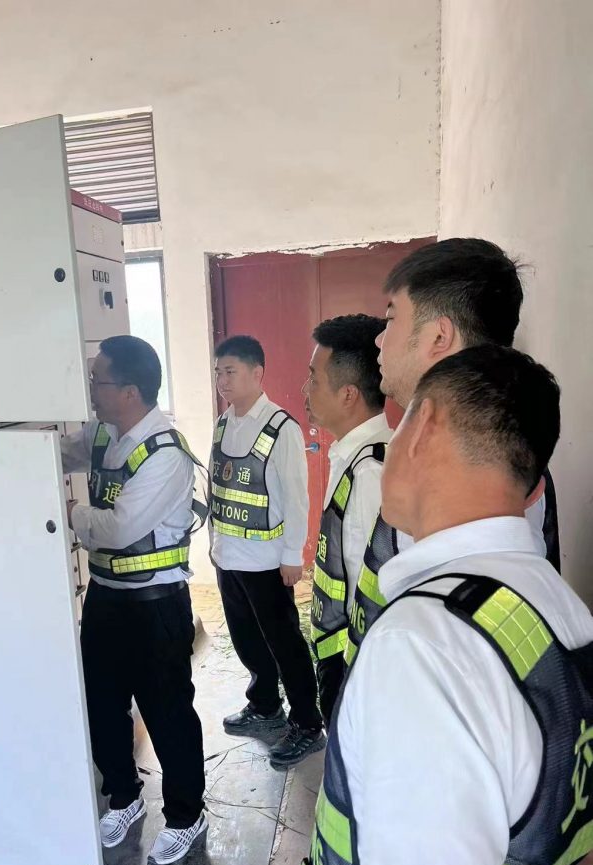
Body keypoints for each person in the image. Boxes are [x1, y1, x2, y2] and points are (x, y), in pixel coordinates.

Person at [294, 345, 593, 865]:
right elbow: (582, 862)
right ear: (533, 490)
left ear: (422, 425)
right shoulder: (564, 615)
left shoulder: (423, 648)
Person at [342, 237, 561, 672]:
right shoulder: (498, 450)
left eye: (392, 319)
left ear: (439, 336)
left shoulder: (466, 473)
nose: (379, 340)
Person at [62, 336, 208, 865]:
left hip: (156, 607)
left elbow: (118, 529)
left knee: (167, 714)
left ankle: (187, 816)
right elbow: (60, 454)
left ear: (128, 391)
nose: (91, 390)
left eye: (98, 380)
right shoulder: (104, 433)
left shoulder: (166, 455)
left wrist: (70, 513)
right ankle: (123, 797)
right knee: (103, 704)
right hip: (105, 599)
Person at [211, 335, 324, 769]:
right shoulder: (225, 423)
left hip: (266, 562)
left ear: (257, 373)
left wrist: (293, 555)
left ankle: (307, 723)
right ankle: (264, 705)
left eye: (231, 371)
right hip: (229, 556)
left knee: (284, 643)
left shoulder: (281, 428)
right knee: (245, 638)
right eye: (219, 372)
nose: (223, 380)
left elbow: (296, 497)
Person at [304, 315, 391, 728]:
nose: (305, 391)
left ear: (348, 395)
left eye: (314, 379)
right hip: (338, 652)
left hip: (358, 664)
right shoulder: (350, 456)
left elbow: (378, 589)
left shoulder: (372, 473)